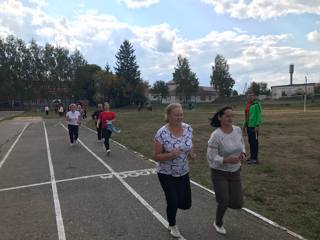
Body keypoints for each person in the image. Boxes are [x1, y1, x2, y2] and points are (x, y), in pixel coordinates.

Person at [153, 103, 196, 238]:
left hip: (183, 171)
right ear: (169, 116)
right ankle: (172, 225)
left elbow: (190, 144)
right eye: (176, 115)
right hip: (166, 173)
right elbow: (156, 156)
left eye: (181, 114)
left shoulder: (188, 128)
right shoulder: (161, 133)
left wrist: (191, 153)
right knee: (172, 201)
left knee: (186, 204)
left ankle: (174, 206)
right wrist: (171, 154)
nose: (180, 117)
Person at [207, 106, 246, 235]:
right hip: (219, 171)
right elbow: (211, 157)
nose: (230, 118)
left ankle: (223, 197)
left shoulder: (238, 130)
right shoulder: (216, 135)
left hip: (235, 170)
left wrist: (244, 154)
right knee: (224, 200)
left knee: (237, 203)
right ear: (220, 117)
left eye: (232, 116)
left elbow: (242, 145)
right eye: (227, 116)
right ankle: (218, 222)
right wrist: (225, 160)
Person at [243, 90, 262, 164]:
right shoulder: (247, 105)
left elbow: (259, 116)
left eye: (252, 95)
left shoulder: (256, 104)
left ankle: (255, 159)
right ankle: (252, 157)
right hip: (248, 126)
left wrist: (257, 125)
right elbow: (247, 116)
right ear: (247, 96)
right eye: (249, 95)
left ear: (254, 96)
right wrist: (244, 125)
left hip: (254, 127)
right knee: (250, 142)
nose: (250, 97)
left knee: (255, 143)